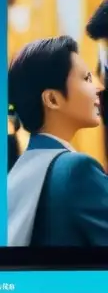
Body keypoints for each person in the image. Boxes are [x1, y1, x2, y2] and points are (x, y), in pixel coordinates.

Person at [7, 35, 108, 246]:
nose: (97, 88)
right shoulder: (77, 170)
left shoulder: (18, 173)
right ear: (52, 99)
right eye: (86, 78)